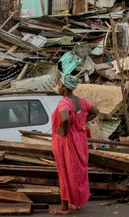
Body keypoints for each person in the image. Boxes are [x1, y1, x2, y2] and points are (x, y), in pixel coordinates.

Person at [49, 74, 99, 215]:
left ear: (65, 88)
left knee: (65, 172)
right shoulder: (81, 101)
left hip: (66, 142)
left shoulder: (64, 102)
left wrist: (64, 130)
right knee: (77, 172)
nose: (58, 88)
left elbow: (65, 118)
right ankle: (74, 202)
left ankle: (64, 208)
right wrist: (81, 122)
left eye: (59, 85)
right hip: (79, 139)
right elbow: (95, 111)